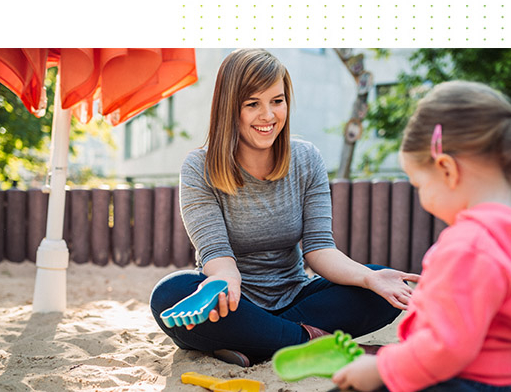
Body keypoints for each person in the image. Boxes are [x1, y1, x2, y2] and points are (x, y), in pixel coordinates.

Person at [149, 49, 419, 367]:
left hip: (298, 299)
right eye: (253, 104)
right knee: (170, 294)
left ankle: (261, 342)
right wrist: (225, 281)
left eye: (277, 101)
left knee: (378, 283)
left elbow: (320, 250)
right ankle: (307, 344)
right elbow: (216, 255)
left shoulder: (306, 159)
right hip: (235, 304)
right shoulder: (199, 167)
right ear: (230, 109)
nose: (268, 115)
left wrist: (367, 279)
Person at [332, 80, 511, 392]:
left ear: (447, 169)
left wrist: (380, 367)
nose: (422, 197)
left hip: (457, 381)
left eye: (419, 184)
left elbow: (446, 347)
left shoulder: (471, 245)